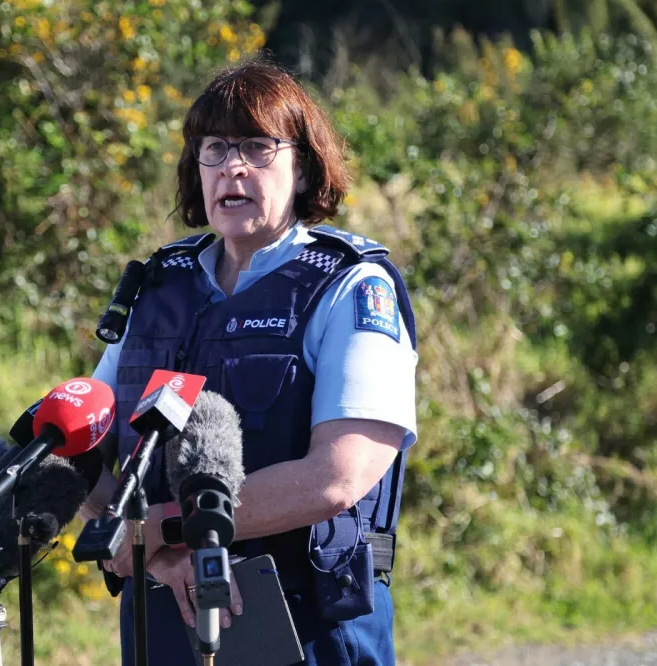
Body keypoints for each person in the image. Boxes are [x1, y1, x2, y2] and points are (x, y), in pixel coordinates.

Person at [79, 59, 418, 666]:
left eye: (258, 148)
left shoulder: (350, 287)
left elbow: (337, 477)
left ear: (303, 166)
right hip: (162, 614)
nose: (233, 166)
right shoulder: (156, 287)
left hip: (305, 619)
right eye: (215, 148)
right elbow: (77, 445)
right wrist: (160, 553)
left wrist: (161, 525)